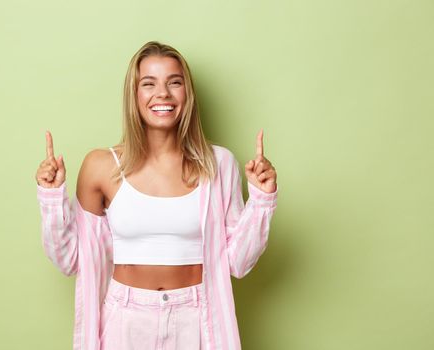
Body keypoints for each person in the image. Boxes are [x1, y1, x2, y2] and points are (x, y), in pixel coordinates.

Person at [35, 41, 278, 350]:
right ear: (134, 95)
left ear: (187, 94)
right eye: (148, 84)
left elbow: (238, 262)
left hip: (196, 317)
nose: (162, 93)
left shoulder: (219, 164)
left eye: (174, 82)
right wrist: (52, 197)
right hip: (126, 319)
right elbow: (70, 260)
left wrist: (261, 200)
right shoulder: (100, 166)